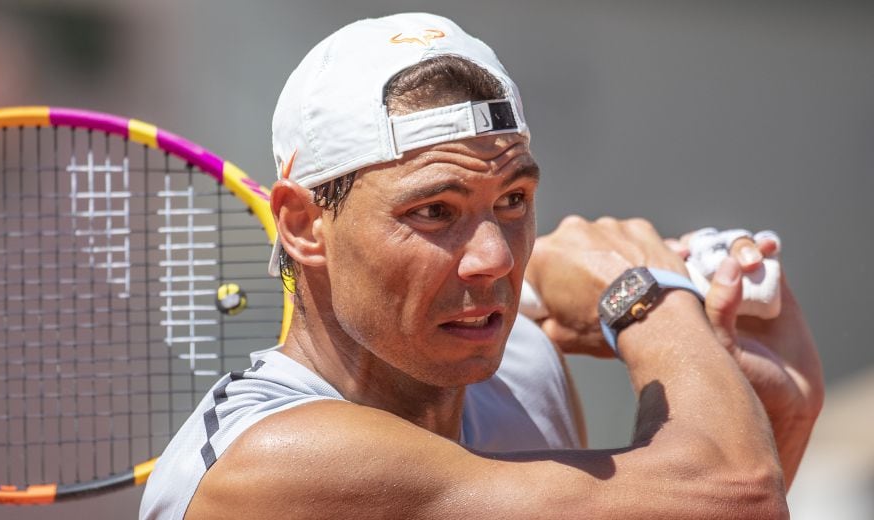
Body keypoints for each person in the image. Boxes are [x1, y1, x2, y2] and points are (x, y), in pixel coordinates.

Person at [139, 12, 822, 519]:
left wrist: (766, 421)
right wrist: (647, 295)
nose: (494, 257)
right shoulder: (268, 462)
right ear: (303, 224)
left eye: (514, 199)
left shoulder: (524, 369)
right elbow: (735, 496)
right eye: (434, 211)